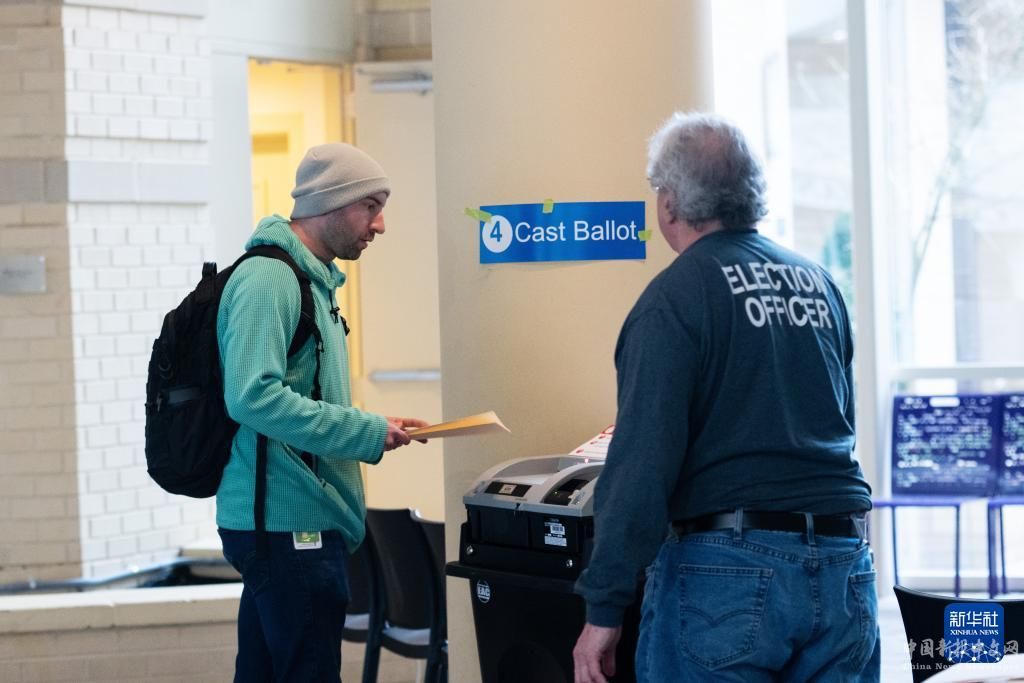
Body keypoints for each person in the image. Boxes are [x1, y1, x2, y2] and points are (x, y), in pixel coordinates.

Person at [572, 113, 879, 682]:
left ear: (669, 202)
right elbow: (840, 425)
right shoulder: (819, 284)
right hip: (844, 565)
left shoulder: (676, 298)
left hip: (728, 573)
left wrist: (604, 608)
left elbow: (642, 463)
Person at [215, 142, 428, 682]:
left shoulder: (312, 281)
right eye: (370, 206)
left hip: (294, 523)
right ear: (330, 202)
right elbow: (252, 396)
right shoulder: (270, 279)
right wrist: (361, 430)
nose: (380, 225)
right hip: (286, 525)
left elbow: (298, 396)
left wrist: (377, 426)